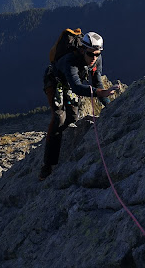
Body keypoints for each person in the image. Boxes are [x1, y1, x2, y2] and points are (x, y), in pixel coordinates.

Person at [39, 31, 116, 181]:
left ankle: (62, 148)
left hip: (68, 84)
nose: (94, 58)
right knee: (59, 119)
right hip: (54, 83)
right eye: (91, 54)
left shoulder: (96, 59)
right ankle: (47, 165)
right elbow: (77, 88)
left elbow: (96, 82)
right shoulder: (70, 60)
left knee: (73, 118)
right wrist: (103, 93)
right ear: (82, 50)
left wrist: (109, 106)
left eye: (97, 54)